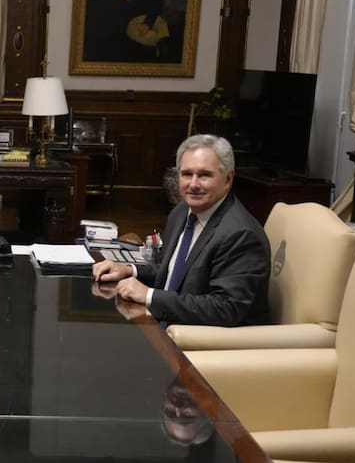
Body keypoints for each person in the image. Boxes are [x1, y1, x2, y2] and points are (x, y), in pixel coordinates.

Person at [92, 134, 270, 326]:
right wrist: (129, 270)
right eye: (186, 174)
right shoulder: (181, 212)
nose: (193, 184)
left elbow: (227, 309)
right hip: (164, 324)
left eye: (204, 175)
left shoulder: (240, 234)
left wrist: (150, 296)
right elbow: (171, 270)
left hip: (200, 342)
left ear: (228, 179)